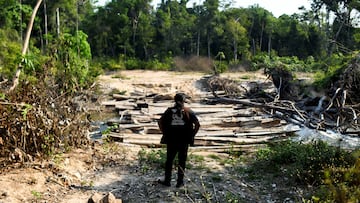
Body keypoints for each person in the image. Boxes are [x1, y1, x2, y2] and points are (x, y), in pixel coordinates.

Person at [157, 93, 200, 188]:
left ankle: (167, 181)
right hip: (184, 140)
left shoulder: (169, 111)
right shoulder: (188, 111)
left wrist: (164, 132)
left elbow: (160, 122)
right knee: (182, 161)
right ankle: (179, 182)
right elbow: (197, 124)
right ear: (184, 101)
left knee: (169, 161)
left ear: (174, 100)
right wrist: (192, 135)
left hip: (171, 140)